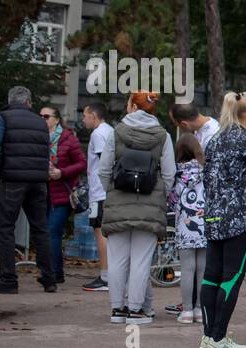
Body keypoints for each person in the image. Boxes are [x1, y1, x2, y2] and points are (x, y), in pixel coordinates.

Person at [199, 91, 246, 348]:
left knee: (211, 277)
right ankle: (218, 337)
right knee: (231, 278)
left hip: (214, 216)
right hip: (239, 219)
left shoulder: (215, 139)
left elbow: (207, 177)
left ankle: (208, 335)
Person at [98, 90, 176, 323]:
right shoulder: (163, 136)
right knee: (141, 260)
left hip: (118, 201)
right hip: (150, 205)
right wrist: (159, 195)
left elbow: (103, 169)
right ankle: (135, 310)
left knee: (117, 258)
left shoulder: (116, 132)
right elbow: (170, 174)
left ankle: (117, 309)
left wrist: (111, 191)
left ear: (132, 105)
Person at [0, 86, 57, 294]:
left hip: (12, 180)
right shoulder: (41, 123)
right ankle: (49, 278)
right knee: (40, 229)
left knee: (5, 227)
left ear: (10, 100)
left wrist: (0, 170)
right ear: (29, 102)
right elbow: (46, 152)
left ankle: (8, 279)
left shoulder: (3, 117)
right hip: (38, 182)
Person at [41, 106, 86, 284]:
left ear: (56, 119)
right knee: (45, 231)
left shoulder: (68, 138)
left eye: (46, 116)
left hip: (63, 193)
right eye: (40, 116)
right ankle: (48, 271)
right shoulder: (38, 138)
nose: (42, 119)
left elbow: (81, 164)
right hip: (42, 191)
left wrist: (62, 172)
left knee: (53, 230)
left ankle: (55, 273)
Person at [168, 135, 207, 323]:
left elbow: (172, 200)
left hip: (184, 225)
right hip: (204, 225)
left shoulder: (175, 173)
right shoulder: (207, 171)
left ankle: (187, 311)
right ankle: (200, 310)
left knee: (187, 269)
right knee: (202, 269)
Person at [80, 103, 115, 292]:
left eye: (85, 116)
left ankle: (106, 276)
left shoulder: (98, 134)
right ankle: (110, 274)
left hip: (100, 192)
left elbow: (104, 162)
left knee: (100, 232)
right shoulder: (109, 130)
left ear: (93, 115)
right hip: (104, 191)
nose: (83, 119)